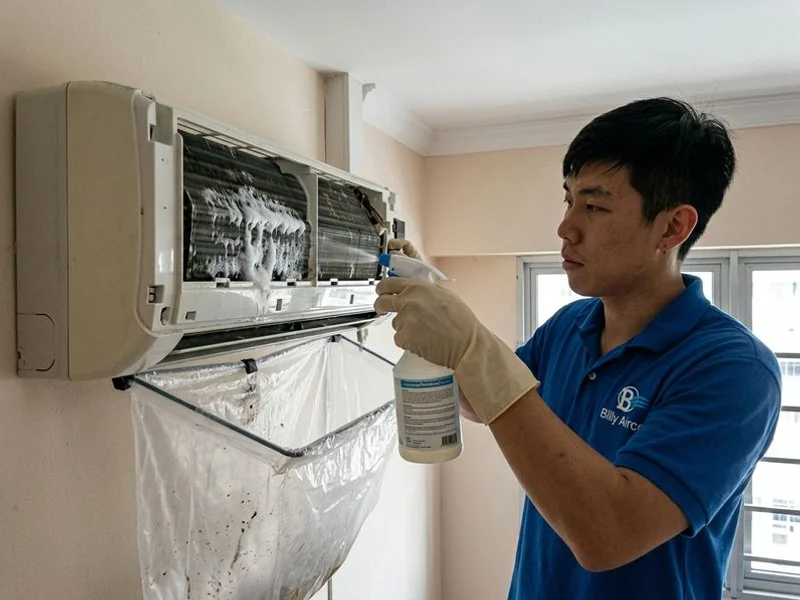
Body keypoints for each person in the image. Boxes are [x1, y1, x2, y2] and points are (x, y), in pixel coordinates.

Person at [374, 98, 782, 600]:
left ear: (672, 227)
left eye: (594, 206)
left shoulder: (735, 369)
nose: (566, 228)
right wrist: (438, 319)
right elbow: (482, 400)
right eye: (568, 201)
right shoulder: (571, 325)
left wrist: (473, 347)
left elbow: (608, 533)